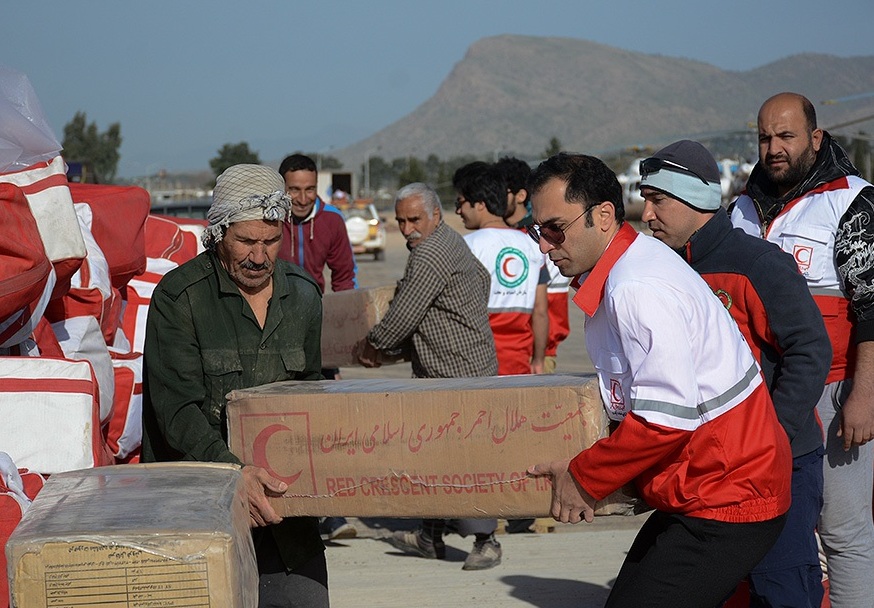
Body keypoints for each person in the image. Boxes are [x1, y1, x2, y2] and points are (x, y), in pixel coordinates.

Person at [526, 153, 792, 608]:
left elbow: (663, 420)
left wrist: (585, 478)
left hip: (727, 493)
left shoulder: (637, 288)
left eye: (555, 229)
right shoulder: (629, 269)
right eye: (537, 232)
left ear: (604, 216)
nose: (545, 246)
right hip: (705, 486)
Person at [640, 139, 832, 607]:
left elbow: (809, 351)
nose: (646, 214)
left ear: (696, 199)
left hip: (778, 462)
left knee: (782, 588)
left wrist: (771, 437)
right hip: (709, 470)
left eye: (657, 200)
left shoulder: (757, 264)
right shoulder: (662, 271)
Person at [141, 164, 329, 608]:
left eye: (271, 241)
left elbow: (315, 395)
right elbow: (177, 413)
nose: (259, 257)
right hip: (198, 520)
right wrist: (235, 476)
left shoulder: (303, 295)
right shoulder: (179, 297)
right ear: (218, 231)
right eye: (246, 241)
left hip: (288, 525)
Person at [730, 92, 874, 608]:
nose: (773, 148)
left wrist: (863, 396)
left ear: (815, 138)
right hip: (758, 401)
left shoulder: (853, 201)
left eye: (786, 136)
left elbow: (872, 307)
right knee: (771, 531)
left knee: (842, 532)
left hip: (834, 394)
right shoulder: (740, 210)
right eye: (765, 138)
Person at [355, 182, 502, 570]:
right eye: (401, 221)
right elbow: (483, 278)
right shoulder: (449, 241)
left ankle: (487, 541)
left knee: (465, 458)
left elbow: (402, 315)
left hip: (456, 372)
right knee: (436, 456)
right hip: (454, 365)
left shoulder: (431, 253)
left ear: (435, 214)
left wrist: (373, 346)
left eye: (414, 219)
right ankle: (429, 534)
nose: (406, 228)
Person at [454, 161, 548, 375]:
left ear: (479, 203)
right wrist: (539, 359)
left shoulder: (466, 246)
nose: (459, 211)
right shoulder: (532, 247)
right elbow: (541, 312)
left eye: (460, 202)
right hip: (520, 363)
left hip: (477, 361)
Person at [495, 156, 571, 376]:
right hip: (506, 355)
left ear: (520, 195)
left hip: (537, 355)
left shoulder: (541, 239)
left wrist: (541, 355)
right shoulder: (502, 237)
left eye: (501, 191)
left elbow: (550, 305)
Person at [278, 153, 358, 294]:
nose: (303, 200)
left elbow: (344, 277)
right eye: (294, 190)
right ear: (281, 188)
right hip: (272, 309)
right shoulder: (269, 220)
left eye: (310, 189)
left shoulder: (332, 219)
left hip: (315, 306)